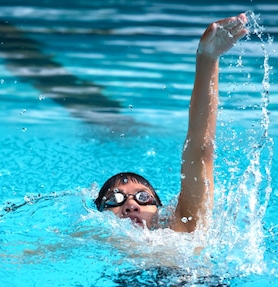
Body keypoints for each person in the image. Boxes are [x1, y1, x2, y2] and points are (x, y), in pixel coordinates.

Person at [94, 13, 248, 233]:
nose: (130, 205)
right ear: (98, 215)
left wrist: (208, 59)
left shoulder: (180, 229)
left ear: (161, 209)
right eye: (114, 200)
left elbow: (201, 149)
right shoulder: (90, 241)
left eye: (143, 197)